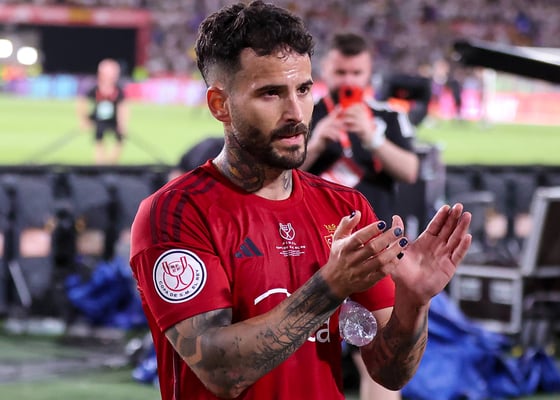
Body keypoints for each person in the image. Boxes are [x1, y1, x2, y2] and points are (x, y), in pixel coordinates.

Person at [129, 2, 472, 400]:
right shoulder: (176, 212)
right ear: (220, 105)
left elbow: (389, 372)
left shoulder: (346, 209)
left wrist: (414, 301)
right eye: (270, 93)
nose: (295, 113)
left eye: (304, 89)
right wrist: (331, 286)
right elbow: (221, 371)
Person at [302, 32, 420, 399]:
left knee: (378, 350)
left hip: (376, 248)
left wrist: (372, 138)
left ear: (369, 73)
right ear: (326, 70)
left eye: (356, 72)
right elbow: (278, 177)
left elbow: (411, 170)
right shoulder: (305, 112)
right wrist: (316, 143)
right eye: (341, 72)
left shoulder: (388, 116)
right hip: (310, 247)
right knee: (303, 345)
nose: (348, 80)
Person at [77, 58, 129, 165]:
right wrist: (84, 120)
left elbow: (123, 108)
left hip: (113, 120)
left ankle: (112, 164)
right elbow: (82, 102)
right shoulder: (95, 89)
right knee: (99, 140)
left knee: (119, 140)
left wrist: (122, 124)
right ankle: (99, 165)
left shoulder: (118, 91)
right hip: (98, 119)